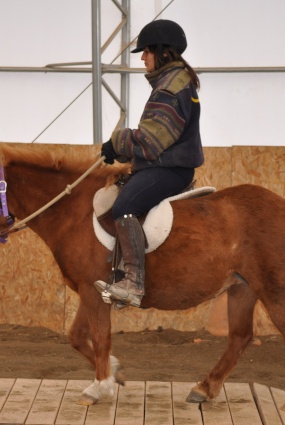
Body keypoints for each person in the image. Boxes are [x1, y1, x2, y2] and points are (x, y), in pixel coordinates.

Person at [94, 19, 204, 308]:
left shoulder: (170, 88)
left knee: (124, 206)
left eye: (146, 51)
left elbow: (153, 140)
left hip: (169, 169)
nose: (142, 57)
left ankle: (133, 283)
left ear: (162, 52)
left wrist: (116, 142)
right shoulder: (175, 82)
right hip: (168, 165)